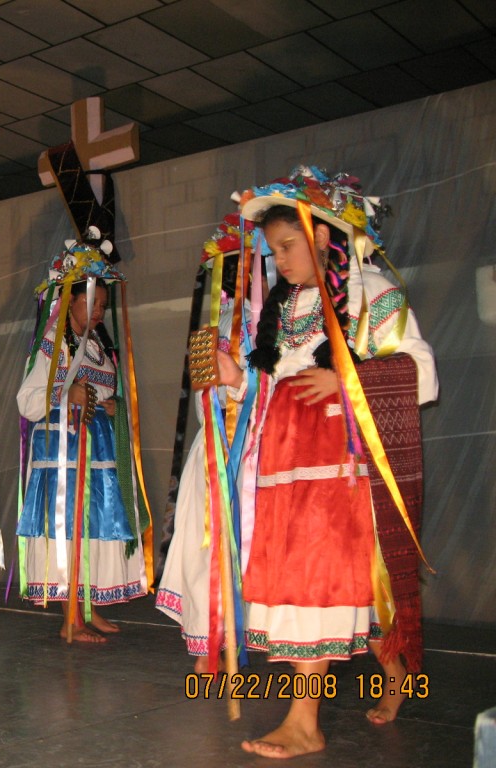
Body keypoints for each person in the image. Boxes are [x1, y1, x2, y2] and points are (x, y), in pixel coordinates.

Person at [219, 167, 437, 758]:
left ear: (323, 236)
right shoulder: (283, 309)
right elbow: (275, 387)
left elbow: (420, 371)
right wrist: (238, 379)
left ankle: (304, 723)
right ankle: (395, 674)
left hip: (342, 469)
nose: (280, 260)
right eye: (273, 250)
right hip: (283, 468)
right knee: (339, 589)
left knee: (325, 585)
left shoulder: (371, 292)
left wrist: (347, 381)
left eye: (288, 245)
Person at [16, 242, 149, 644]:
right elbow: (26, 400)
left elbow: (105, 393)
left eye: (102, 306)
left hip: (98, 452)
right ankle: (70, 619)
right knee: (69, 529)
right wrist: (64, 395)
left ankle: (89, 608)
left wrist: (112, 406)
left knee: (94, 528)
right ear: (68, 302)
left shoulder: (97, 348)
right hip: (64, 455)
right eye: (91, 303)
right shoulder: (50, 348)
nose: (97, 312)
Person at [156, 215, 255, 672]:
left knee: (251, 547)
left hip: (259, 453)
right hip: (216, 453)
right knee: (206, 547)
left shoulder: (277, 328)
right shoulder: (210, 335)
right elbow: (203, 402)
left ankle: (245, 637)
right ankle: (208, 642)